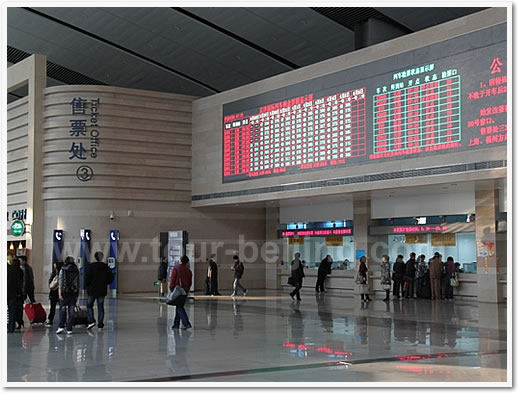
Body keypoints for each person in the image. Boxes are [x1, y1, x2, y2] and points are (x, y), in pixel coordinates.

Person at [85, 252, 114, 331]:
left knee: (89, 305)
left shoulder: (91, 267)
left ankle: (91, 320)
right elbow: (111, 278)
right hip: (102, 290)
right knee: (100, 307)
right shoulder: (106, 267)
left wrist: (88, 286)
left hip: (92, 290)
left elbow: (86, 278)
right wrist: (105, 283)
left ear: (94, 257)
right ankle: (100, 324)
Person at [56, 256, 80, 335]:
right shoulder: (76, 270)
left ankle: (61, 326)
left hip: (64, 292)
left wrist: (59, 293)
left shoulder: (63, 270)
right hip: (73, 293)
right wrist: (78, 293)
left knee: (62, 310)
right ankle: (69, 328)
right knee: (71, 311)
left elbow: (61, 282)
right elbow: (78, 282)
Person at [170, 255, 193, 330]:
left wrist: (171, 288)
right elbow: (190, 282)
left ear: (180, 260)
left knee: (179, 307)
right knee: (179, 305)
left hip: (178, 290)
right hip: (185, 290)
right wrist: (187, 289)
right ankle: (176, 324)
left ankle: (186, 323)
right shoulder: (189, 271)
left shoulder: (176, 268)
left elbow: (173, 278)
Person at [7, 259, 24, 333]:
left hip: (7, 292)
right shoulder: (17, 270)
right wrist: (19, 293)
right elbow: (19, 283)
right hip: (13, 293)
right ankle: (11, 327)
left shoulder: (8, 269)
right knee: (12, 310)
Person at [46, 260, 64, 327]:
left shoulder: (55, 274)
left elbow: (50, 283)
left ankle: (51, 320)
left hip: (55, 292)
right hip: (59, 293)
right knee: (59, 307)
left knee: (54, 307)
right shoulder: (61, 274)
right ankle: (61, 321)